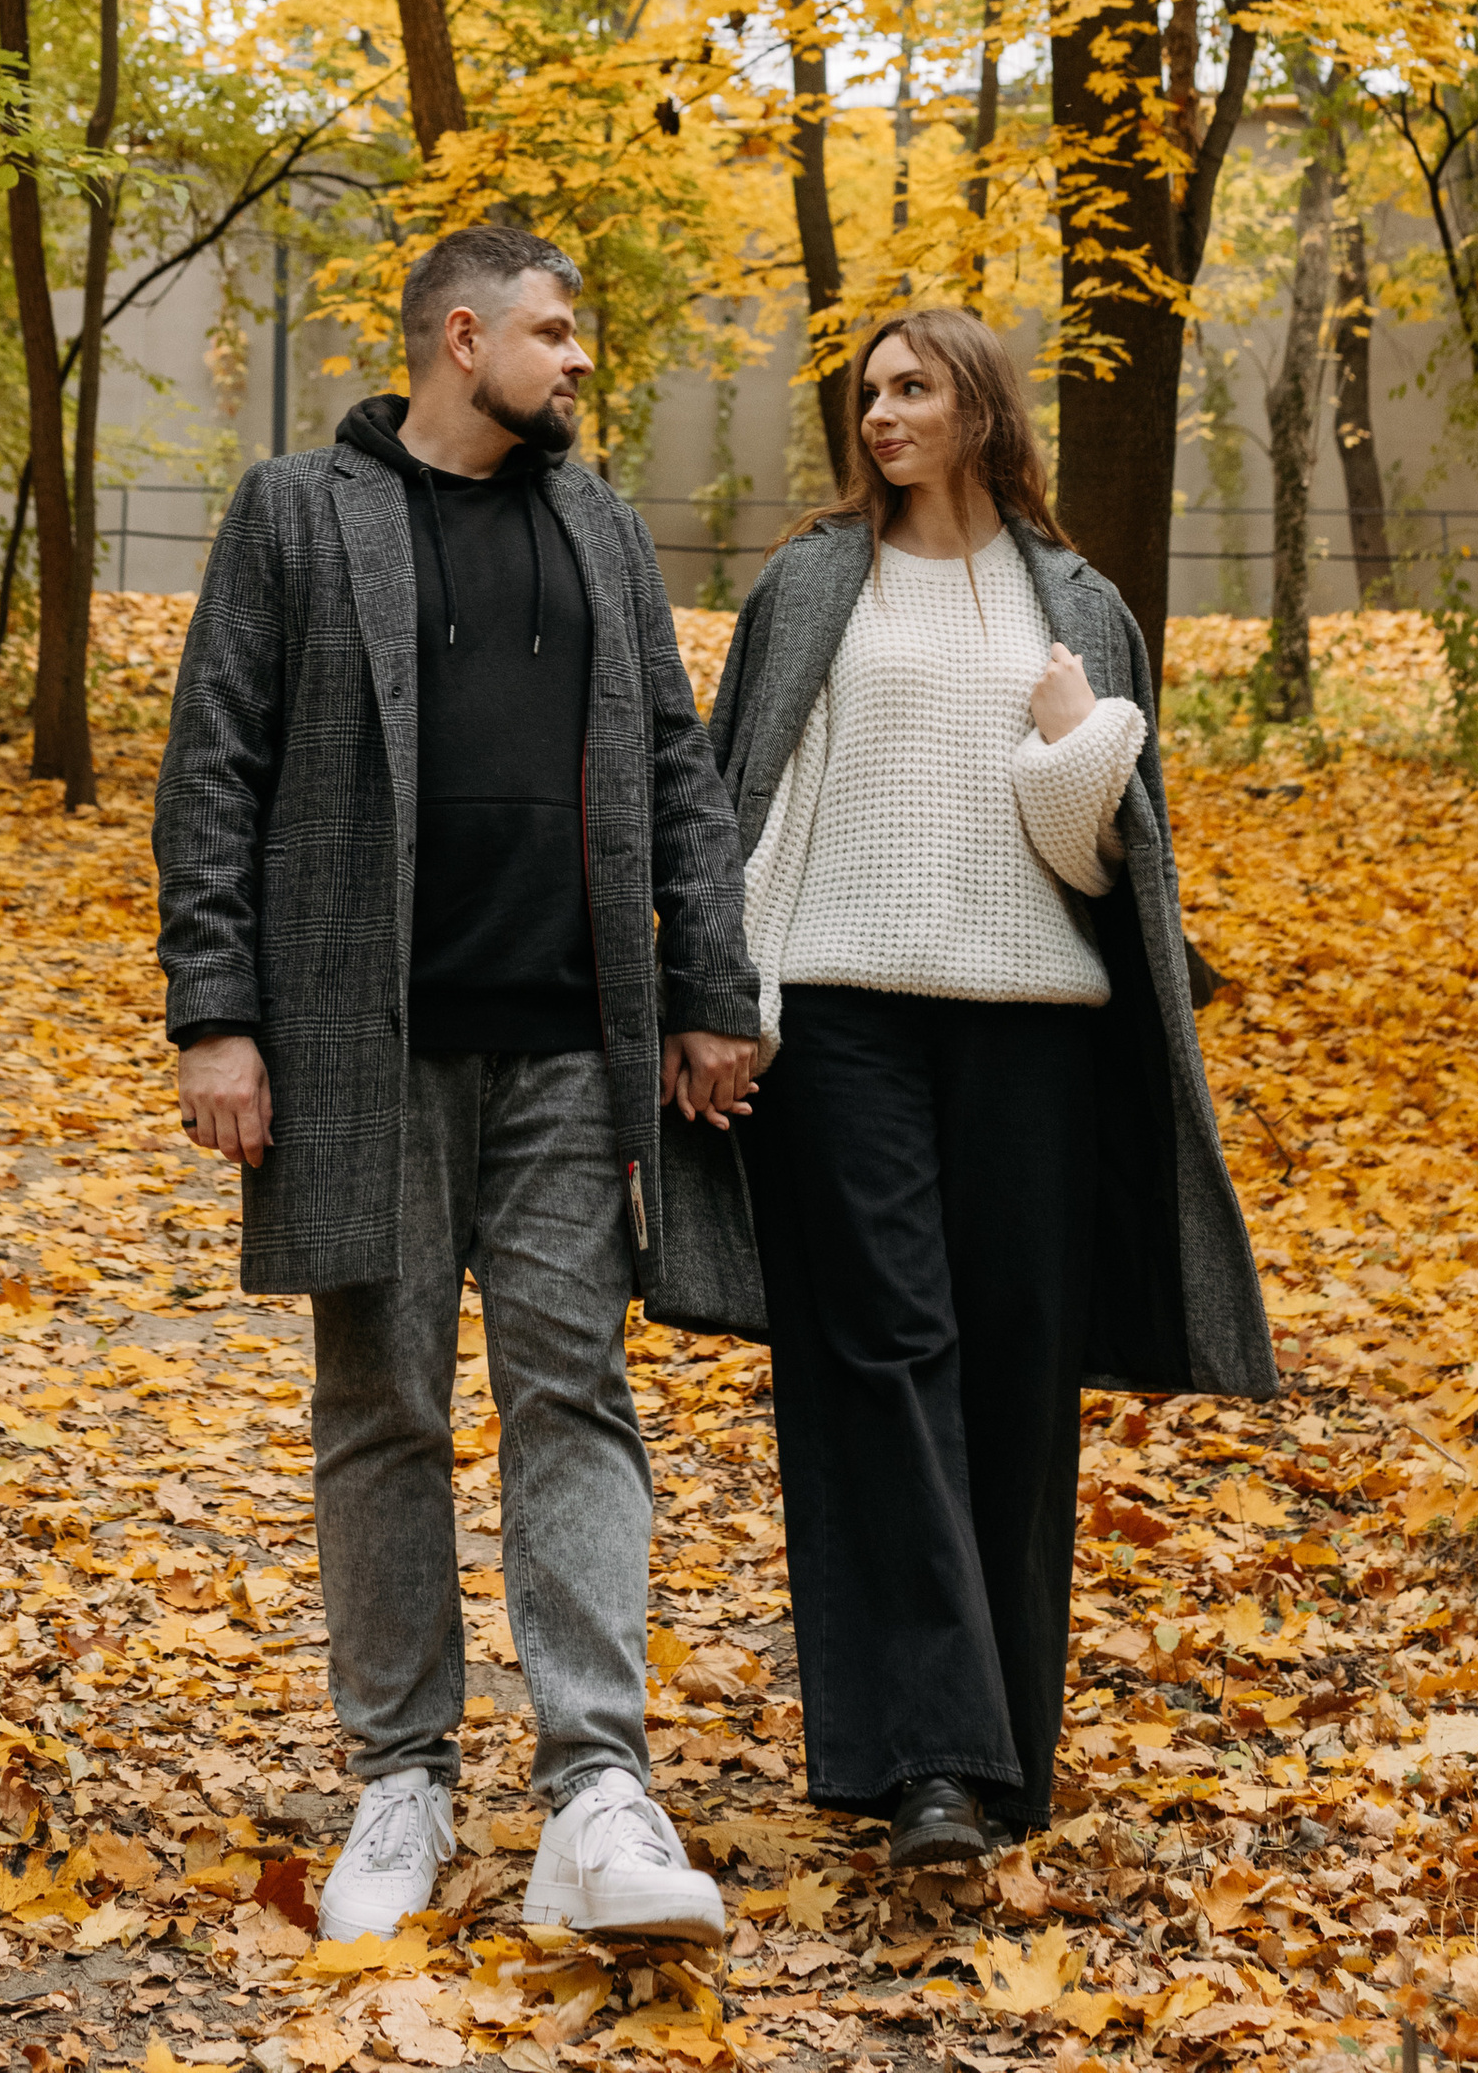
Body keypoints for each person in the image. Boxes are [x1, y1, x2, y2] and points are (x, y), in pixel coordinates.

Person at [154, 221, 761, 1944]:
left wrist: (711, 986)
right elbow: (216, 768)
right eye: (558, 336)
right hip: (366, 1050)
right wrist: (218, 1013)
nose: (578, 366)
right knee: (387, 1408)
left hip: (577, 1049)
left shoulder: (601, 522)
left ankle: (596, 1797)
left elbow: (674, 766)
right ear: (461, 336)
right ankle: (402, 1781)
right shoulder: (298, 513)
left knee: (575, 1398)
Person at [708, 305, 1274, 1866]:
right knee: (884, 1358)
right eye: (868, 392)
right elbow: (742, 804)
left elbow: (1101, 856)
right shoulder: (815, 581)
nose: (882, 412)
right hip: (839, 1024)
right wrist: (723, 1000)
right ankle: (934, 1765)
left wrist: (1082, 745)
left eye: (913, 387)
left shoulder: (1068, 598)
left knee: (1019, 1378)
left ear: (980, 409)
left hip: (1035, 1027)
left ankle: (1001, 1757)